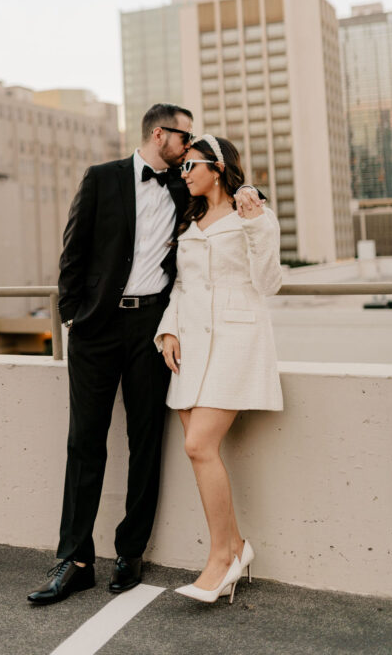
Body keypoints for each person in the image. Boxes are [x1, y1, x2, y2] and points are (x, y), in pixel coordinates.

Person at [27, 107, 262, 605]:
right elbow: (73, 251)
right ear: (161, 134)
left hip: (151, 326)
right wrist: (73, 315)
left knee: (146, 441)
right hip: (95, 328)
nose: (190, 146)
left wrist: (252, 194)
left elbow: (230, 200)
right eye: (185, 136)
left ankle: (130, 552)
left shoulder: (185, 185)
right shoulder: (101, 179)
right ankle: (75, 560)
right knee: (84, 442)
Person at [154, 133, 283, 605]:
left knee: (198, 444)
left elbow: (269, 283)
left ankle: (221, 560)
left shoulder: (252, 216)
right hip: (189, 344)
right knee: (198, 450)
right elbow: (183, 288)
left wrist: (256, 226)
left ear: (217, 167)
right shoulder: (191, 220)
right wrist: (168, 330)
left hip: (234, 341)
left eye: (190, 166)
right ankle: (235, 547)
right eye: (181, 167)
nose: (183, 174)